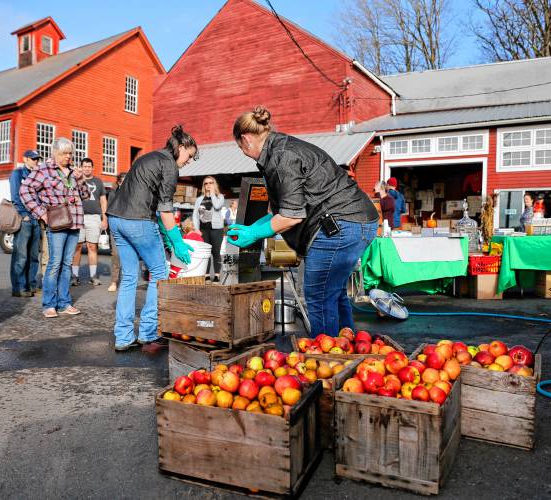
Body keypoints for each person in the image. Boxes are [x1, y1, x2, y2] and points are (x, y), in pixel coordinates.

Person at [227, 106, 379, 338]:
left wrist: (256, 235)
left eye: (239, 146)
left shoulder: (281, 158)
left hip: (338, 225)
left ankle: (326, 359)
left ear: (246, 140)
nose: (241, 151)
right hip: (357, 220)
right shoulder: (281, 150)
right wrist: (254, 228)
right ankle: (348, 348)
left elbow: (292, 216)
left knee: (318, 294)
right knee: (333, 291)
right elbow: (283, 211)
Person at [106, 125, 197, 353]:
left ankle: (124, 337)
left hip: (116, 219)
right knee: (159, 272)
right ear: (182, 147)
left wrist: (166, 235)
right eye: (189, 155)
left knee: (128, 277)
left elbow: (152, 202)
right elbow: (166, 210)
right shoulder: (169, 165)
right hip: (138, 220)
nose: (189, 161)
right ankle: (149, 332)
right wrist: (176, 240)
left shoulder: (149, 157)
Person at [20, 138, 89, 318]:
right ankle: (49, 304)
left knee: (67, 264)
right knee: (54, 263)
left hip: (74, 221)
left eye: (70, 153)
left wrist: (81, 180)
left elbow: (86, 195)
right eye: (64, 153)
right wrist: (41, 213)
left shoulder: (74, 172)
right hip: (57, 221)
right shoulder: (44, 169)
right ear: (55, 153)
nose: (68, 157)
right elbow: (25, 190)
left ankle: (64, 303)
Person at [9, 150, 42, 297]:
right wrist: (23, 214)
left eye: (37, 159)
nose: (35, 161)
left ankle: (31, 284)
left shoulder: (37, 175)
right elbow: (15, 195)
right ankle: (19, 287)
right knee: (21, 255)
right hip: (25, 218)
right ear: (25, 159)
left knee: (34, 255)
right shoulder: (17, 174)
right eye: (33, 159)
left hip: (36, 217)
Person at [71, 158, 107, 286]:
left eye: (89, 166)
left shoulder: (98, 181)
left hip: (94, 218)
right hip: (78, 217)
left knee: (92, 247)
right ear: (81, 167)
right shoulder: (74, 180)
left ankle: (93, 276)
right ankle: (74, 276)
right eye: (84, 166)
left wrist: (104, 218)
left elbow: (103, 201)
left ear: (92, 167)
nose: (86, 168)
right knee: (77, 247)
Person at [192, 176, 225, 280]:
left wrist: (212, 194)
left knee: (216, 252)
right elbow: (195, 215)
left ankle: (216, 275)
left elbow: (217, 206)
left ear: (214, 184)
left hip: (217, 229)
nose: (208, 185)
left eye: (211, 183)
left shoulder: (220, 197)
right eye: (206, 183)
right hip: (203, 229)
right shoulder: (199, 199)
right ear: (204, 186)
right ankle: (205, 275)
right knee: (206, 253)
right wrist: (196, 229)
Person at [107, 173, 126, 292]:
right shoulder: (113, 194)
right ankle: (114, 281)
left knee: (129, 255)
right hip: (116, 227)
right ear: (119, 182)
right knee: (116, 254)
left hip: (129, 227)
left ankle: (126, 280)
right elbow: (109, 210)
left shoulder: (134, 194)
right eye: (123, 181)